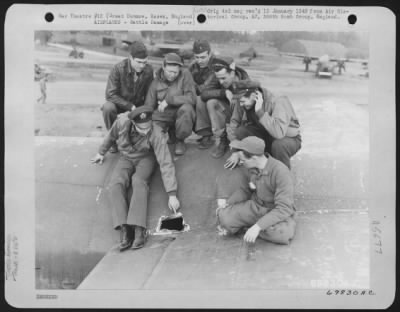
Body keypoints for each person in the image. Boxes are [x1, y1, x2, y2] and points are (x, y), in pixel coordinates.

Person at [91, 106, 180, 251]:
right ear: (133, 123)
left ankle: (139, 229)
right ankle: (125, 228)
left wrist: (172, 194)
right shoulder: (121, 122)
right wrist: (101, 152)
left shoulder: (156, 133)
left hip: (146, 158)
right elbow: (111, 136)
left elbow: (166, 163)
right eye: (141, 129)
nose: (146, 131)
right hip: (126, 157)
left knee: (139, 182)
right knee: (115, 184)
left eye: (148, 127)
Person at [215, 136, 296, 245]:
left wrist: (257, 227)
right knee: (224, 217)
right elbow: (248, 190)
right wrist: (228, 203)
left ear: (254, 158)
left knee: (282, 234)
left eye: (243, 160)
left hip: (274, 210)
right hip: (256, 207)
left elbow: (284, 208)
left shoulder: (281, 172)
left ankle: (253, 228)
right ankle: (257, 228)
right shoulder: (253, 167)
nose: (241, 163)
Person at [199, 56, 260, 158]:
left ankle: (237, 141)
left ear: (232, 73)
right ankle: (222, 140)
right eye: (219, 79)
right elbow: (204, 93)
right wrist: (224, 92)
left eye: (223, 78)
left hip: (239, 114)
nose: (221, 82)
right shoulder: (219, 74)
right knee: (211, 103)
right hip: (226, 108)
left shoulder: (244, 81)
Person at [226, 87, 301, 169]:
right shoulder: (243, 99)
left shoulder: (278, 100)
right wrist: (236, 151)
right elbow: (234, 122)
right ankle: (261, 165)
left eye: (243, 102)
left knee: (278, 145)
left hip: (287, 139)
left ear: (254, 96)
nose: (241, 105)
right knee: (241, 131)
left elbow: (278, 133)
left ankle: (282, 172)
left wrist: (259, 112)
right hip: (266, 135)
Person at [101, 41, 154, 153]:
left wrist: (146, 109)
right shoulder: (118, 69)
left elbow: (150, 93)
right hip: (120, 105)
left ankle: (141, 138)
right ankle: (113, 140)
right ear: (130, 57)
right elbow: (110, 94)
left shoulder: (148, 70)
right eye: (139, 62)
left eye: (145, 62)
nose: (142, 66)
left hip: (139, 105)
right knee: (107, 107)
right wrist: (130, 106)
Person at [144, 53, 196, 156]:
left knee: (187, 109)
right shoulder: (156, 81)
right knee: (149, 143)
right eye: (169, 71)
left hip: (179, 113)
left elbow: (191, 98)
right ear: (163, 67)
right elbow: (148, 105)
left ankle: (180, 140)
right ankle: (167, 135)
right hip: (162, 115)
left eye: (175, 72)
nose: (172, 75)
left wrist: (169, 100)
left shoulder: (185, 75)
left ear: (180, 70)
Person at [188, 39, 216, 149]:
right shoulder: (193, 66)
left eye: (203, 57)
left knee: (200, 99)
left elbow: (203, 89)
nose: (199, 61)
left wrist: (191, 85)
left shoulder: (216, 65)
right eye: (197, 57)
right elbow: (185, 82)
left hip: (217, 100)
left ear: (209, 53)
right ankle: (202, 132)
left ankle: (207, 135)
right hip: (202, 99)